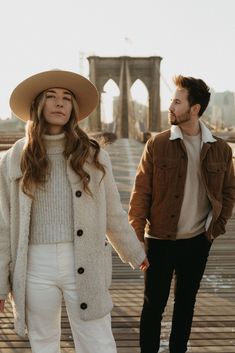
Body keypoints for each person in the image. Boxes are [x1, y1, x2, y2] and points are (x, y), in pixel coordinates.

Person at [0, 69, 149, 353]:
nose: (60, 103)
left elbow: (112, 212)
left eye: (66, 98)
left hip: (84, 258)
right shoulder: (14, 158)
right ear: (37, 105)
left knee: (98, 343)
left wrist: (134, 251)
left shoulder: (92, 154)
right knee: (43, 344)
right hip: (34, 265)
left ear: (73, 107)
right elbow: (3, 226)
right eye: (51, 97)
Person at [128, 75, 235, 353]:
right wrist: (136, 235)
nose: (170, 106)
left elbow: (228, 192)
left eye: (177, 101)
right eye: (171, 100)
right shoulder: (157, 144)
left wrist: (215, 228)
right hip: (159, 240)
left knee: (186, 304)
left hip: (197, 241)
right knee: (154, 305)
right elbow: (141, 193)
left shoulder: (220, 150)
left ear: (195, 109)